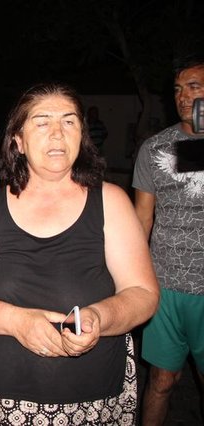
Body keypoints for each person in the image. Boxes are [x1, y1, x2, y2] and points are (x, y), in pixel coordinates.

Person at [0, 83, 159, 425]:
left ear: (81, 135)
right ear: (18, 141)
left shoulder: (111, 202)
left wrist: (99, 317)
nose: (57, 132)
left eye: (69, 121)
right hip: (0, 401)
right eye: (42, 122)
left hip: (93, 399)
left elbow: (142, 293)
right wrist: (17, 322)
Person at [133, 56, 204, 425]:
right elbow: (142, 219)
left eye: (194, 87)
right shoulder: (155, 148)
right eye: (178, 89)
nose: (182, 96)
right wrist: (133, 278)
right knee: (160, 381)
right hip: (165, 286)